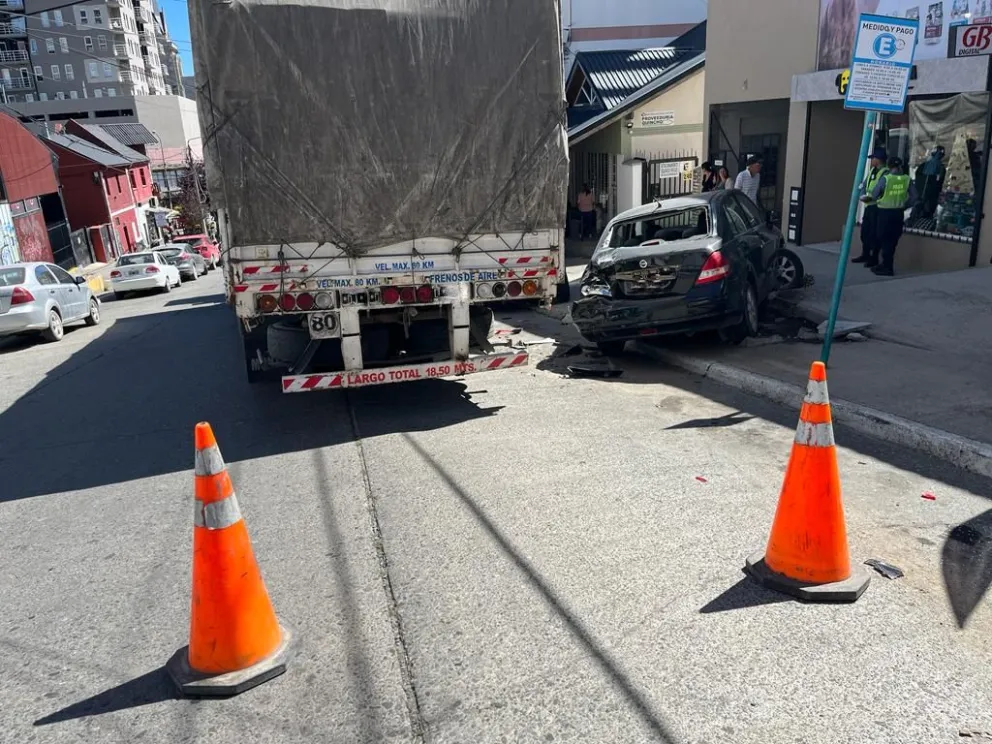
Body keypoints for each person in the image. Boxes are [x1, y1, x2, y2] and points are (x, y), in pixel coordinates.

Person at [870, 156, 919, 277]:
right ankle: (885, 264)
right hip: (898, 213)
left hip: (885, 213)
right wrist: (904, 205)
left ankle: (887, 267)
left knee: (883, 239)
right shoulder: (906, 179)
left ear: (889, 166)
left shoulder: (886, 179)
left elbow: (874, 194)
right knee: (892, 240)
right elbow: (915, 197)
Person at [852, 147, 888, 266]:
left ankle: (873, 258)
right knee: (865, 232)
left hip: (877, 207)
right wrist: (862, 195)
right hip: (869, 206)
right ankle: (865, 254)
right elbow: (864, 184)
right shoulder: (872, 171)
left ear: (878, 159)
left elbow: (880, 189)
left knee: (874, 234)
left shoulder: (885, 173)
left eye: (873, 158)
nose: (871, 161)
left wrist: (871, 197)